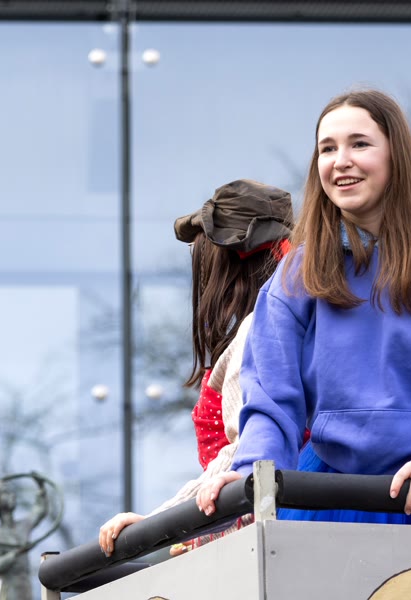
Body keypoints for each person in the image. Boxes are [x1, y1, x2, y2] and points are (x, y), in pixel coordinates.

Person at [196, 89, 411, 529]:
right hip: (331, 496)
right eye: (327, 149)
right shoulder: (296, 276)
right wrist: (251, 471)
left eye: (359, 144)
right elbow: (272, 400)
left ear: (396, 155)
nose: (341, 161)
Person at [99, 179, 294, 556]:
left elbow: (242, 453)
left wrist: (161, 523)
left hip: (262, 537)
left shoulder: (259, 330)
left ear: (228, 265)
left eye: (205, 261)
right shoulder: (297, 320)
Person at [0, 475, 50, 600]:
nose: (12, 495)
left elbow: (39, 511)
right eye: (5, 493)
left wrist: (41, 488)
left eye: (10, 492)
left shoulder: (23, 526)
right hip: (8, 589)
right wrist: (16, 553)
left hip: (25, 585)